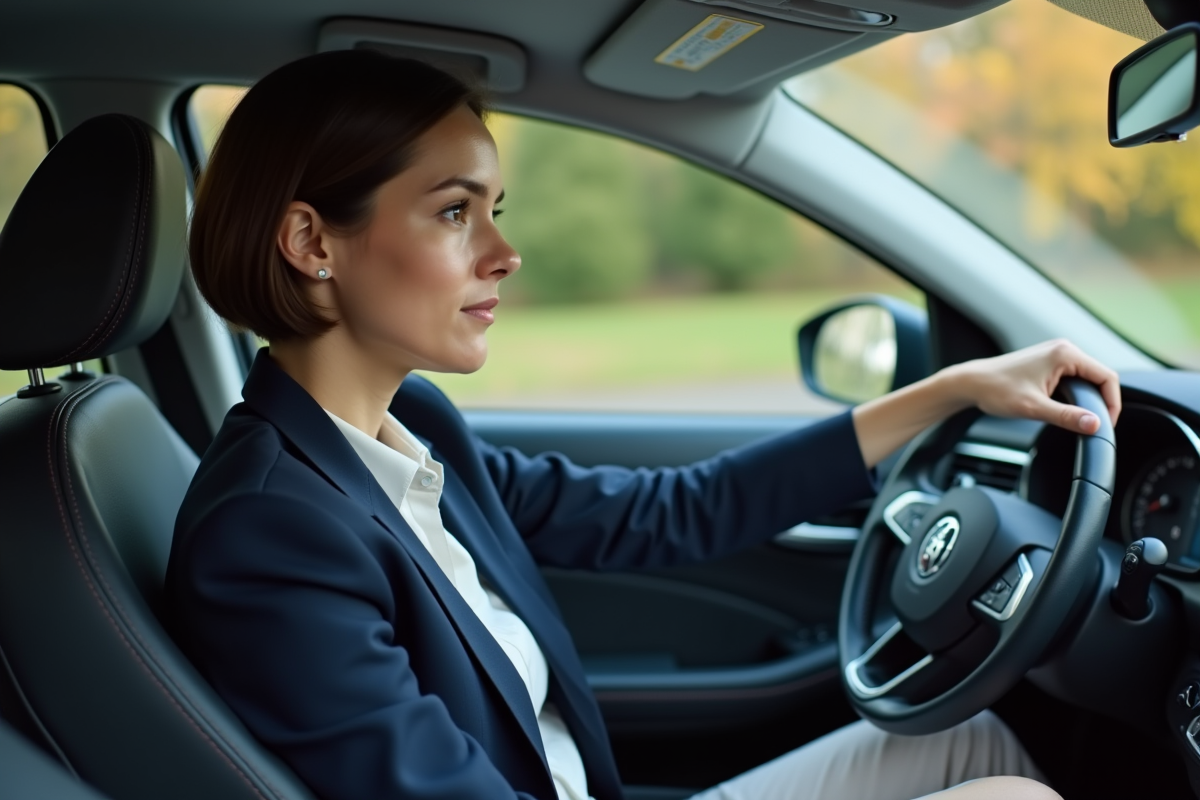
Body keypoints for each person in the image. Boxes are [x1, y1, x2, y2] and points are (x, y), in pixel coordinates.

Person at [165, 50, 1120, 800]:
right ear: (310, 243)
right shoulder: (272, 532)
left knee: (974, 741)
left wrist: (951, 390)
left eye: (496, 208)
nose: (505, 252)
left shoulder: (410, 426)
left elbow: (669, 511)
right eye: (456, 213)